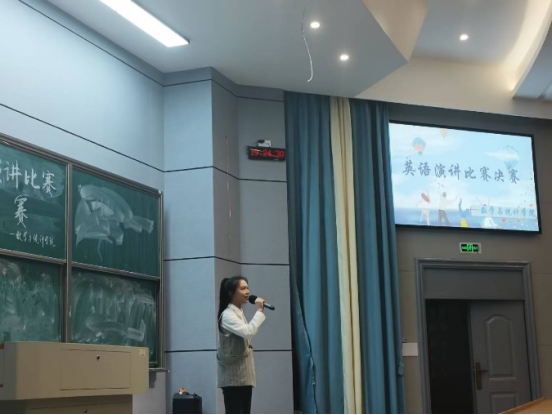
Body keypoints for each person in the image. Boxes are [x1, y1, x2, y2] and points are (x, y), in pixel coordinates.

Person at [217, 276, 267, 415]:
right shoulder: (228, 315)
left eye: (248, 288)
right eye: (243, 288)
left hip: (242, 377)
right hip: (233, 379)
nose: (247, 292)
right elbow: (248, 332)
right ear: (231, 293)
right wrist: (259, 311)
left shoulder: (238, 312)